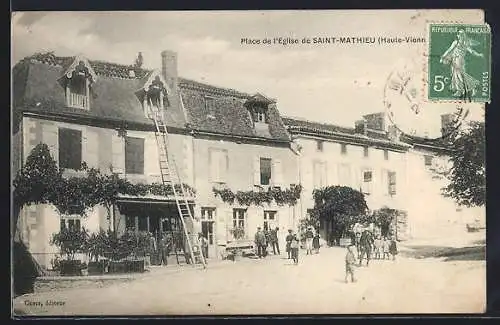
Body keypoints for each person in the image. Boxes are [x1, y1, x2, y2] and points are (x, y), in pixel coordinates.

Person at [440, 29, 484, 97]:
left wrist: (478, 54)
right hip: (455, 60)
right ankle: (460, 90)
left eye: (461, 35)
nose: (460, 36)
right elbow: (449, 50)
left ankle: (471, 88)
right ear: (457, 35)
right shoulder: (456, 42)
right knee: (456, 75)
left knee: (459, 75)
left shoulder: (465, 43)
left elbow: (471, 51)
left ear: (463, 36)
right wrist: (443, 56)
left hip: (459, 60)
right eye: (459, 34)